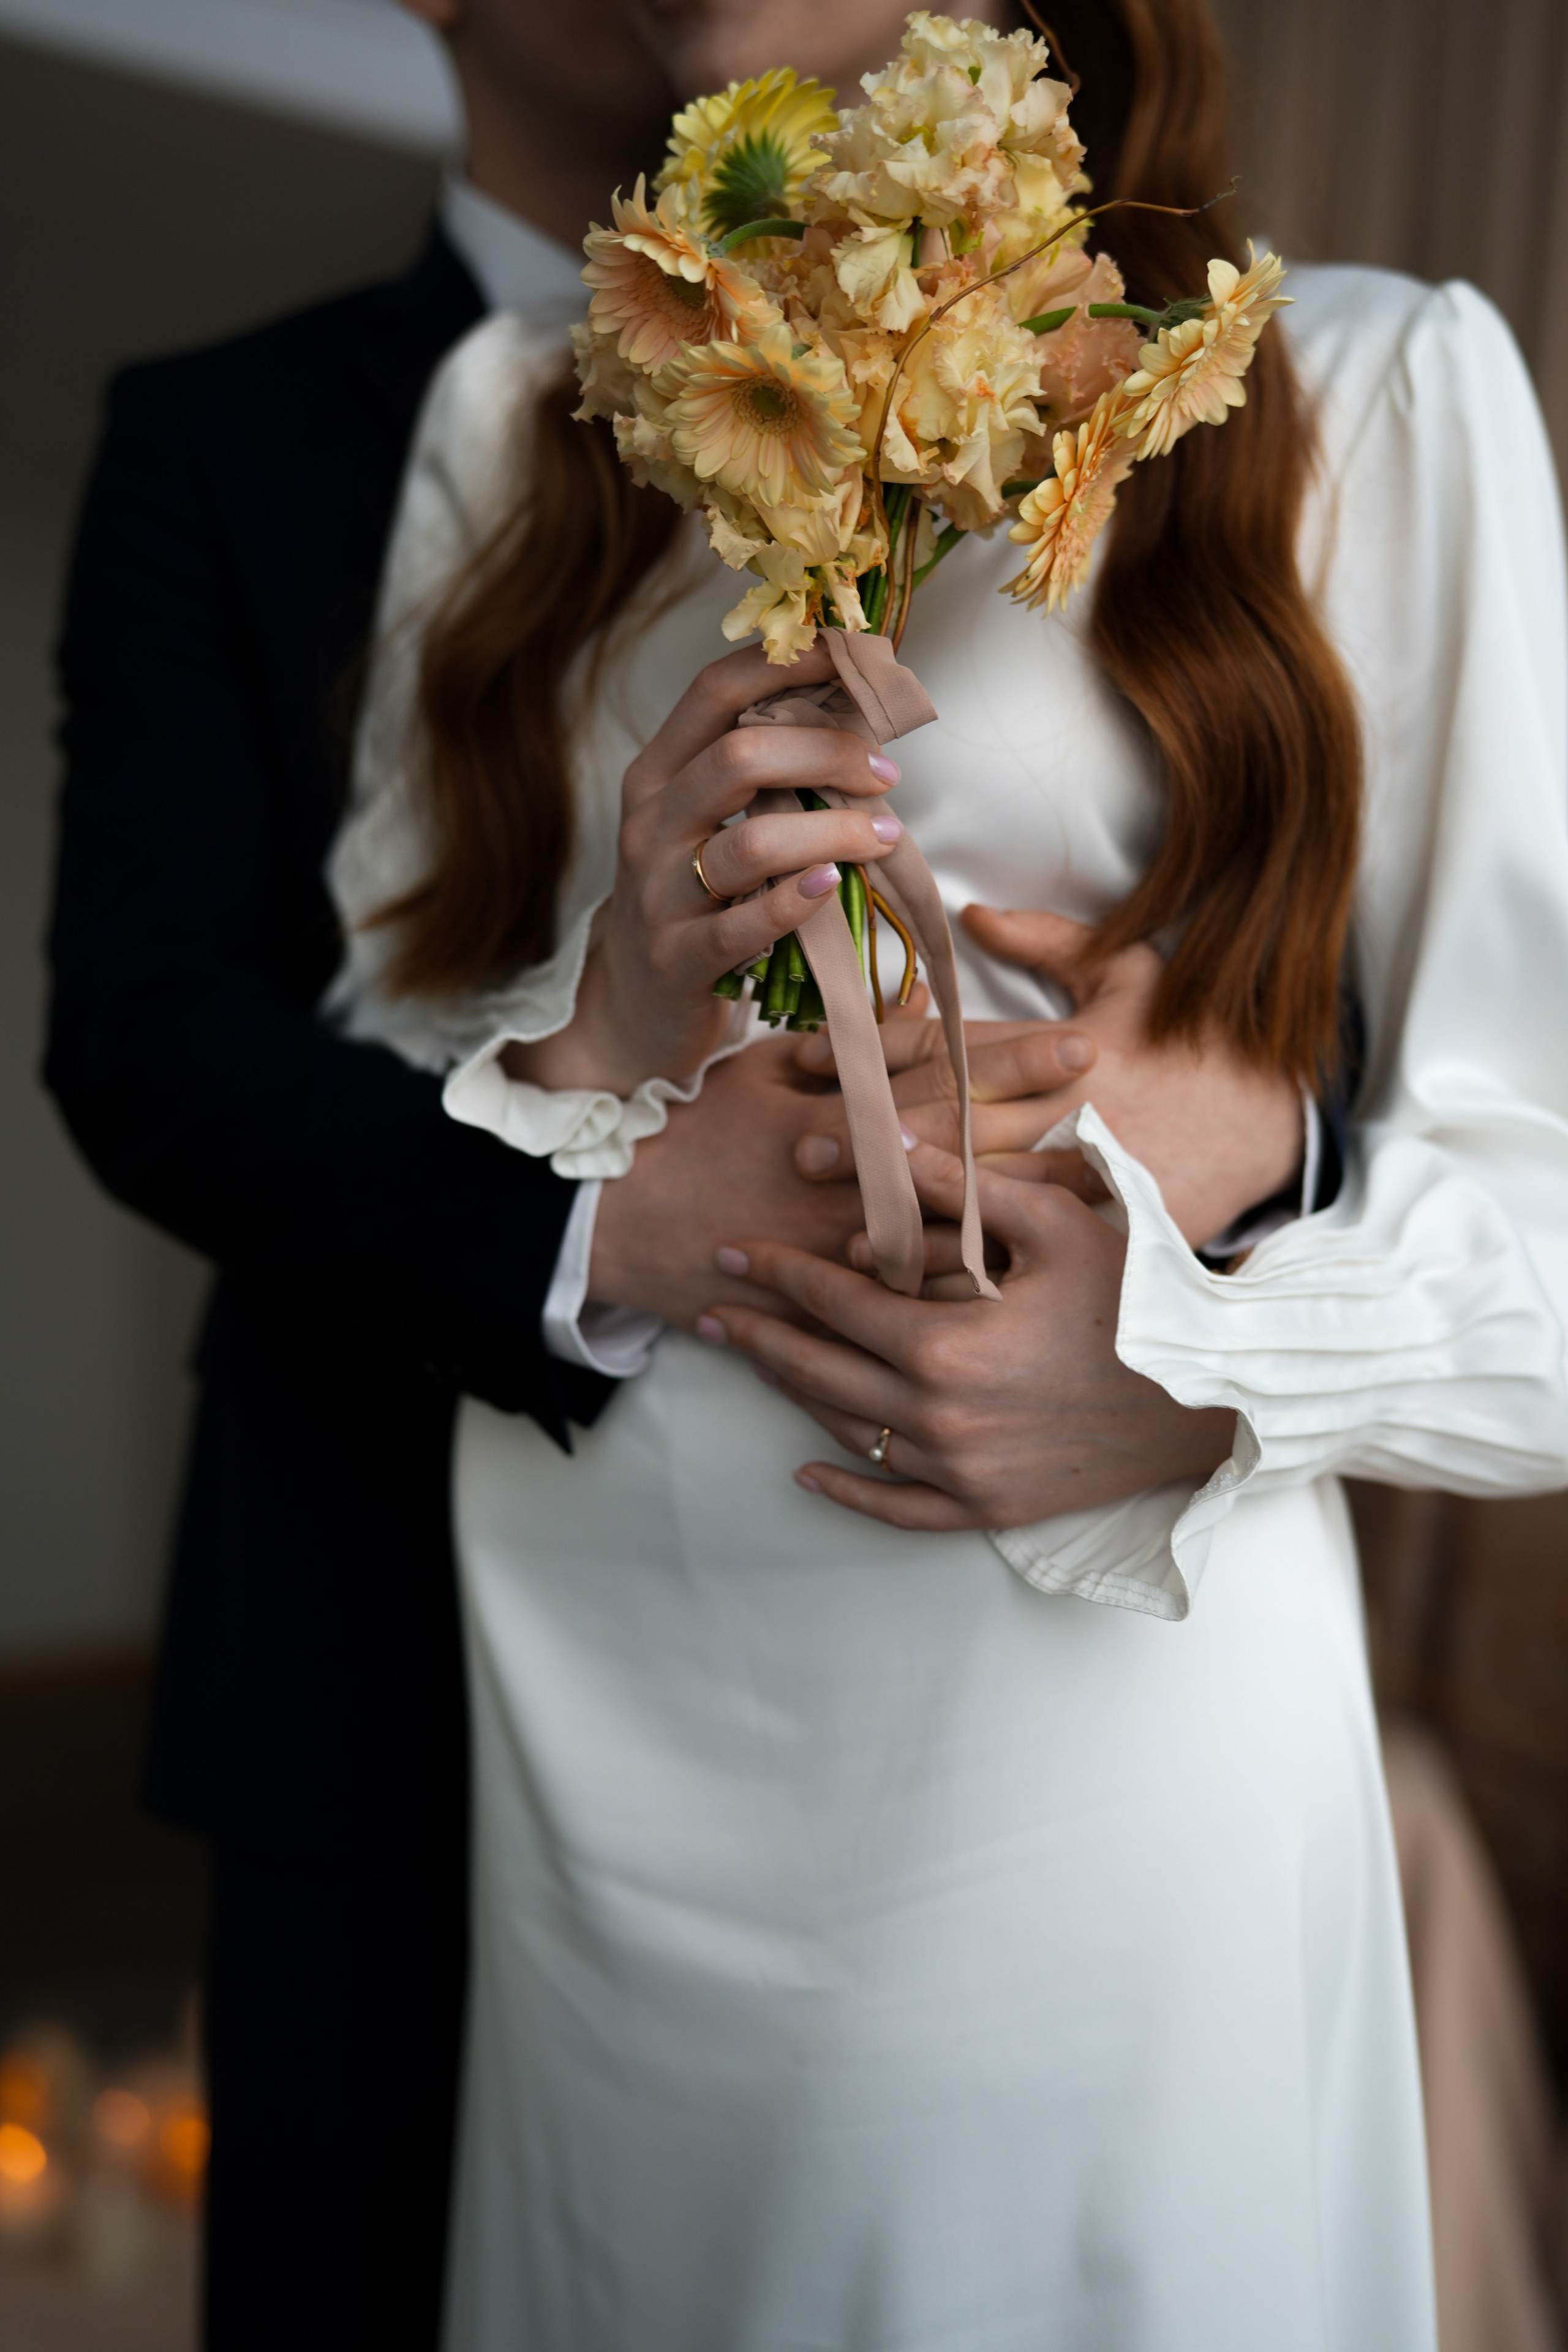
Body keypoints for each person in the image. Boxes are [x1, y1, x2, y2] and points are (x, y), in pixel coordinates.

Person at [43, 1, 1295, 2342]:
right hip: (373, 1580)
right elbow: (151, 1039)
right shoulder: (249, 436)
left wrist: (1229, 1165)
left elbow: (1319, 995)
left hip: (964, 1631)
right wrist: (602, 1190)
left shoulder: (1066, 362)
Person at [325, 0, 1568, 2343]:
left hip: (1077, 1682)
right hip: (612, 1671)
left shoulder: (1370, 392)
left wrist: (1196, 1365)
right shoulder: (517, 416)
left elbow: (1555, 1197)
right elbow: (365, 1086)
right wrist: (603, 1050)